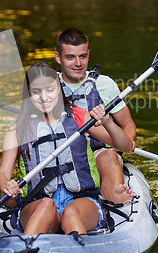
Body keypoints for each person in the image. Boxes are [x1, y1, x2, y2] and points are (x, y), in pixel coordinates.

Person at [0, 62, 134, 236]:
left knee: (71, 213)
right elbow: (2, 175)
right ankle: (26, 252)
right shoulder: (17, 130)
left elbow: (126, 146)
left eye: (50, 90)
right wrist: (7, 186)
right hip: (37, 203)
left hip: (81, 201)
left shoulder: (79, 117)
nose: (44, 97)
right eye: (36, 92)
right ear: (28, 94)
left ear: (59, 89)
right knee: (46, 206)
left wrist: (107, 122)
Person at [55, 28, 137, 204]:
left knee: (109, 156)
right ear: (58, 57)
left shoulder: (105, 84)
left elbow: (128, 123)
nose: (78, 63)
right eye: (70, 57)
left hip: (98, 152)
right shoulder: (46, 86)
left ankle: (116, 204)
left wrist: (122, 145)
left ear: (88, 54)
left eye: (82, 56)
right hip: (59, 154)